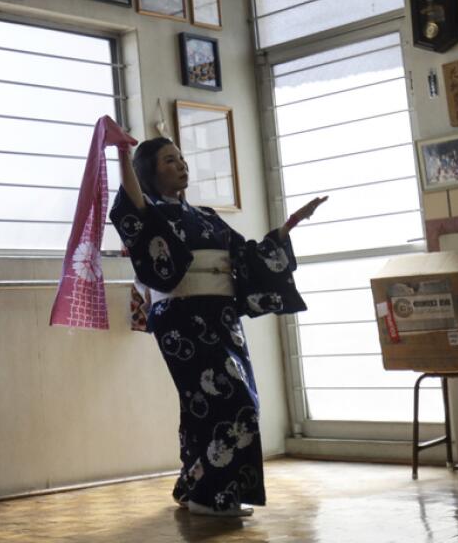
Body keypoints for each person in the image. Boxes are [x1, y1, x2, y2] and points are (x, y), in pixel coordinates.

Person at [107, 128, 326, 518]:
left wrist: (289, 226)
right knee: (231, 400)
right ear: (149, 173)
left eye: (181, 158)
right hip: (181, 319)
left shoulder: (207, 218)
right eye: (169, 160)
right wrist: (123, 153)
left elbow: (249, 256)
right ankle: (211, 496)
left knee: (204, 407)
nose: (181, 165)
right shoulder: (151, 213)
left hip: (221, 318)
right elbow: (131, 206)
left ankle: (196, 487)